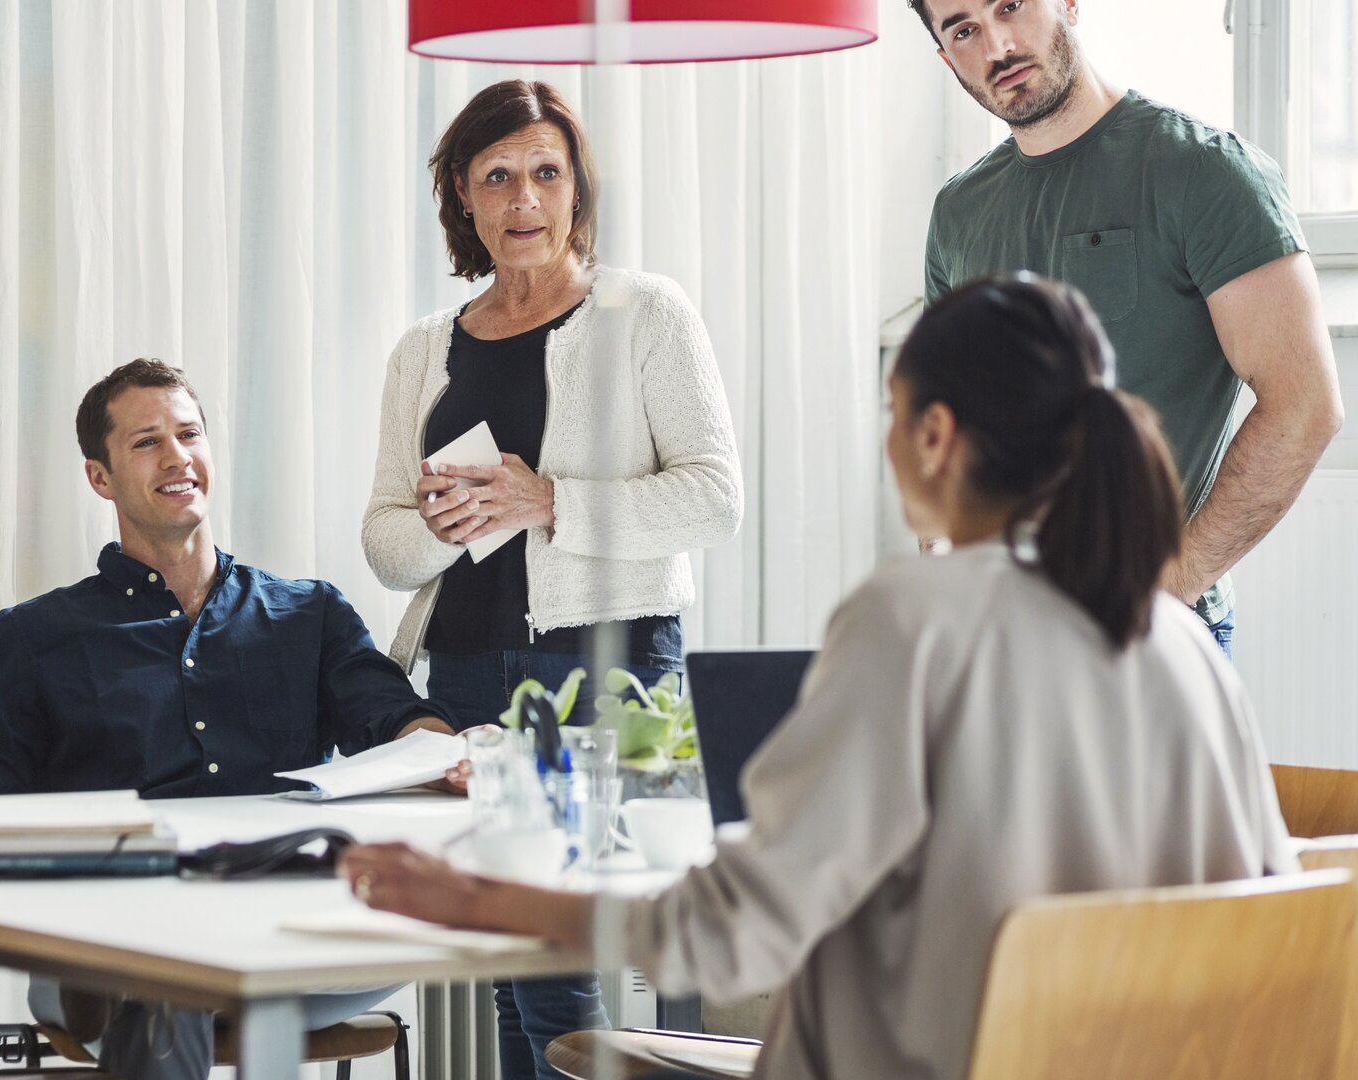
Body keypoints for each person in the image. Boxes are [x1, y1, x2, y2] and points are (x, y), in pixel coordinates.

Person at [340, 275, 1299, 1080]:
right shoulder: (1180, 646)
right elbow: (1266, 927)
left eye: (890, 413)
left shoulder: (912, 622)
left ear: (933, 436)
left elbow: (733, 934)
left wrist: (485, 901)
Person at [360, 79, 743, 1080]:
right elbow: (387, 545)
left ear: (578, 189)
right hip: (467, 675)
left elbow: (715, 499)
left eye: (544, 172)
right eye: (497, 177)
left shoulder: (645, 313)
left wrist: (549, 502)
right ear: (463, 196)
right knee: (508, 950)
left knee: (562, 960)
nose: (523, 198)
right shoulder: (422, 352)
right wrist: (452, 524)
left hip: (610, 667)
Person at [0, 358, 465, 1080]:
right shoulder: (34, 639)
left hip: (292, 945)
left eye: (189, 433)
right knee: (164, 972)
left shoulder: (308, 613)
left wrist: (443, 755)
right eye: (147, 441)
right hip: (114, 956)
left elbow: (394, 719)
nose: (178, 456)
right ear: (101, 476)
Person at [913, 0, 1342, 658]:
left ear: (1068, 4)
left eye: (1011, 6)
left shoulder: (1205, 172)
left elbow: (1306, 404)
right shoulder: (958, 212)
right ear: (946, 59)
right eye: (964, 29)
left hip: (1152, 629)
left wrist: (1176, 581)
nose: (997, 45)